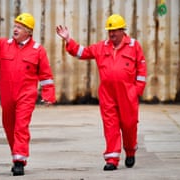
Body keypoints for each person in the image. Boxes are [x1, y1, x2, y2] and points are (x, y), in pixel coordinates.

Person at [56, 14, 147, 171]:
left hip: (127, 95)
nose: (111, 34)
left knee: (129, 125)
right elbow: (82, 52)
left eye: (115, 31)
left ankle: (130, 150)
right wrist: (68, 40)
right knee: (110, 126)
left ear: (122, 31)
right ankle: (112, 159)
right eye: (109, 31)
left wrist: (137, 90)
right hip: (108, 95)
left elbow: (141, 69)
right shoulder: (101, 47)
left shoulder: (134, 46)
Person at [0, 8, 56, 176]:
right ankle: (17, 155)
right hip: (7, 96)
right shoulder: (3, 45)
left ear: (29, 32)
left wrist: (48, 94)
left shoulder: (38, 50)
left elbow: (46, 75)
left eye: (20, 27)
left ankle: (19, 161)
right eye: (15, 26)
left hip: (26, 95)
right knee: (9, 127)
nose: (15, 29)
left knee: (21, 127)